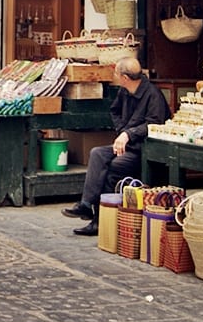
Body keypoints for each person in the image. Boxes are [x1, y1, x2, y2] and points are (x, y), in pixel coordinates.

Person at [65, 57, 169, 236]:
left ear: (124, 78)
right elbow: (115, 111)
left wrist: (129, 134)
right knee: (97, 153)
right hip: (126, 145)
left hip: (143, 150)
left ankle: (99, 221)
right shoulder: (124, 91)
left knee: (113, 167)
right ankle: (86, 205)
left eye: (117, 73)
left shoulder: (153, 95)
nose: (115, 77)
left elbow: (155, 124)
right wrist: (122, 130)